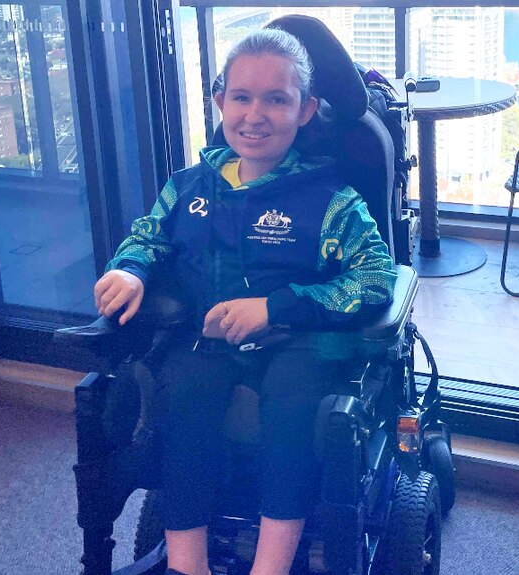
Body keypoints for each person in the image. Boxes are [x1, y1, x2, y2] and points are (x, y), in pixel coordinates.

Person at [92, 27, 397, 575]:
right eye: (242, 97)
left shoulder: (332, 200)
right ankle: (188, 564)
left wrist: (276, 307)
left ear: (305, 111)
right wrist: (131, 272)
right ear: (219, 103)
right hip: (208, 340)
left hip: (300, 342)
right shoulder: (188, 187)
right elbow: (148, 236)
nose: (255, 115)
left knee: (292, 404)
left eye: (276, 99)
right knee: (183, 392)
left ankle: (270, 565)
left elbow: (376, 276)